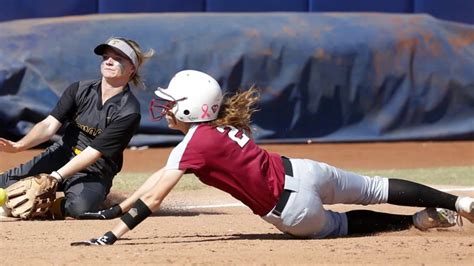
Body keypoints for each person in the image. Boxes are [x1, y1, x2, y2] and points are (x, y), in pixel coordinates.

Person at [72, 70, 474, 245]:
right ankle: (459, 203)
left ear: (192, 109)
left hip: (292, 211)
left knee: (340, 226)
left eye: (173, 103)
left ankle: (414, 222)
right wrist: (117, 208)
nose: (167, 108)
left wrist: (113, 232)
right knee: (376, 187)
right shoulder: (216, 130)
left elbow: (155, 196)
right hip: (304, 170)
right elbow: (156, 181)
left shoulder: (191, 145)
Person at [0, 37, 154, 219]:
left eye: (118, 58)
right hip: (61, 154)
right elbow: (49, 125)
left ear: (132, 69)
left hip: (94, 169)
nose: (109, 61)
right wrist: (19, 146)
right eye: (106, 57)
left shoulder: (129, 111)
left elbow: (94, 152)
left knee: (79, 209)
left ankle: (49, 205)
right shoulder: (80, 89)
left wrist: (55, 177)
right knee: (3, 184)